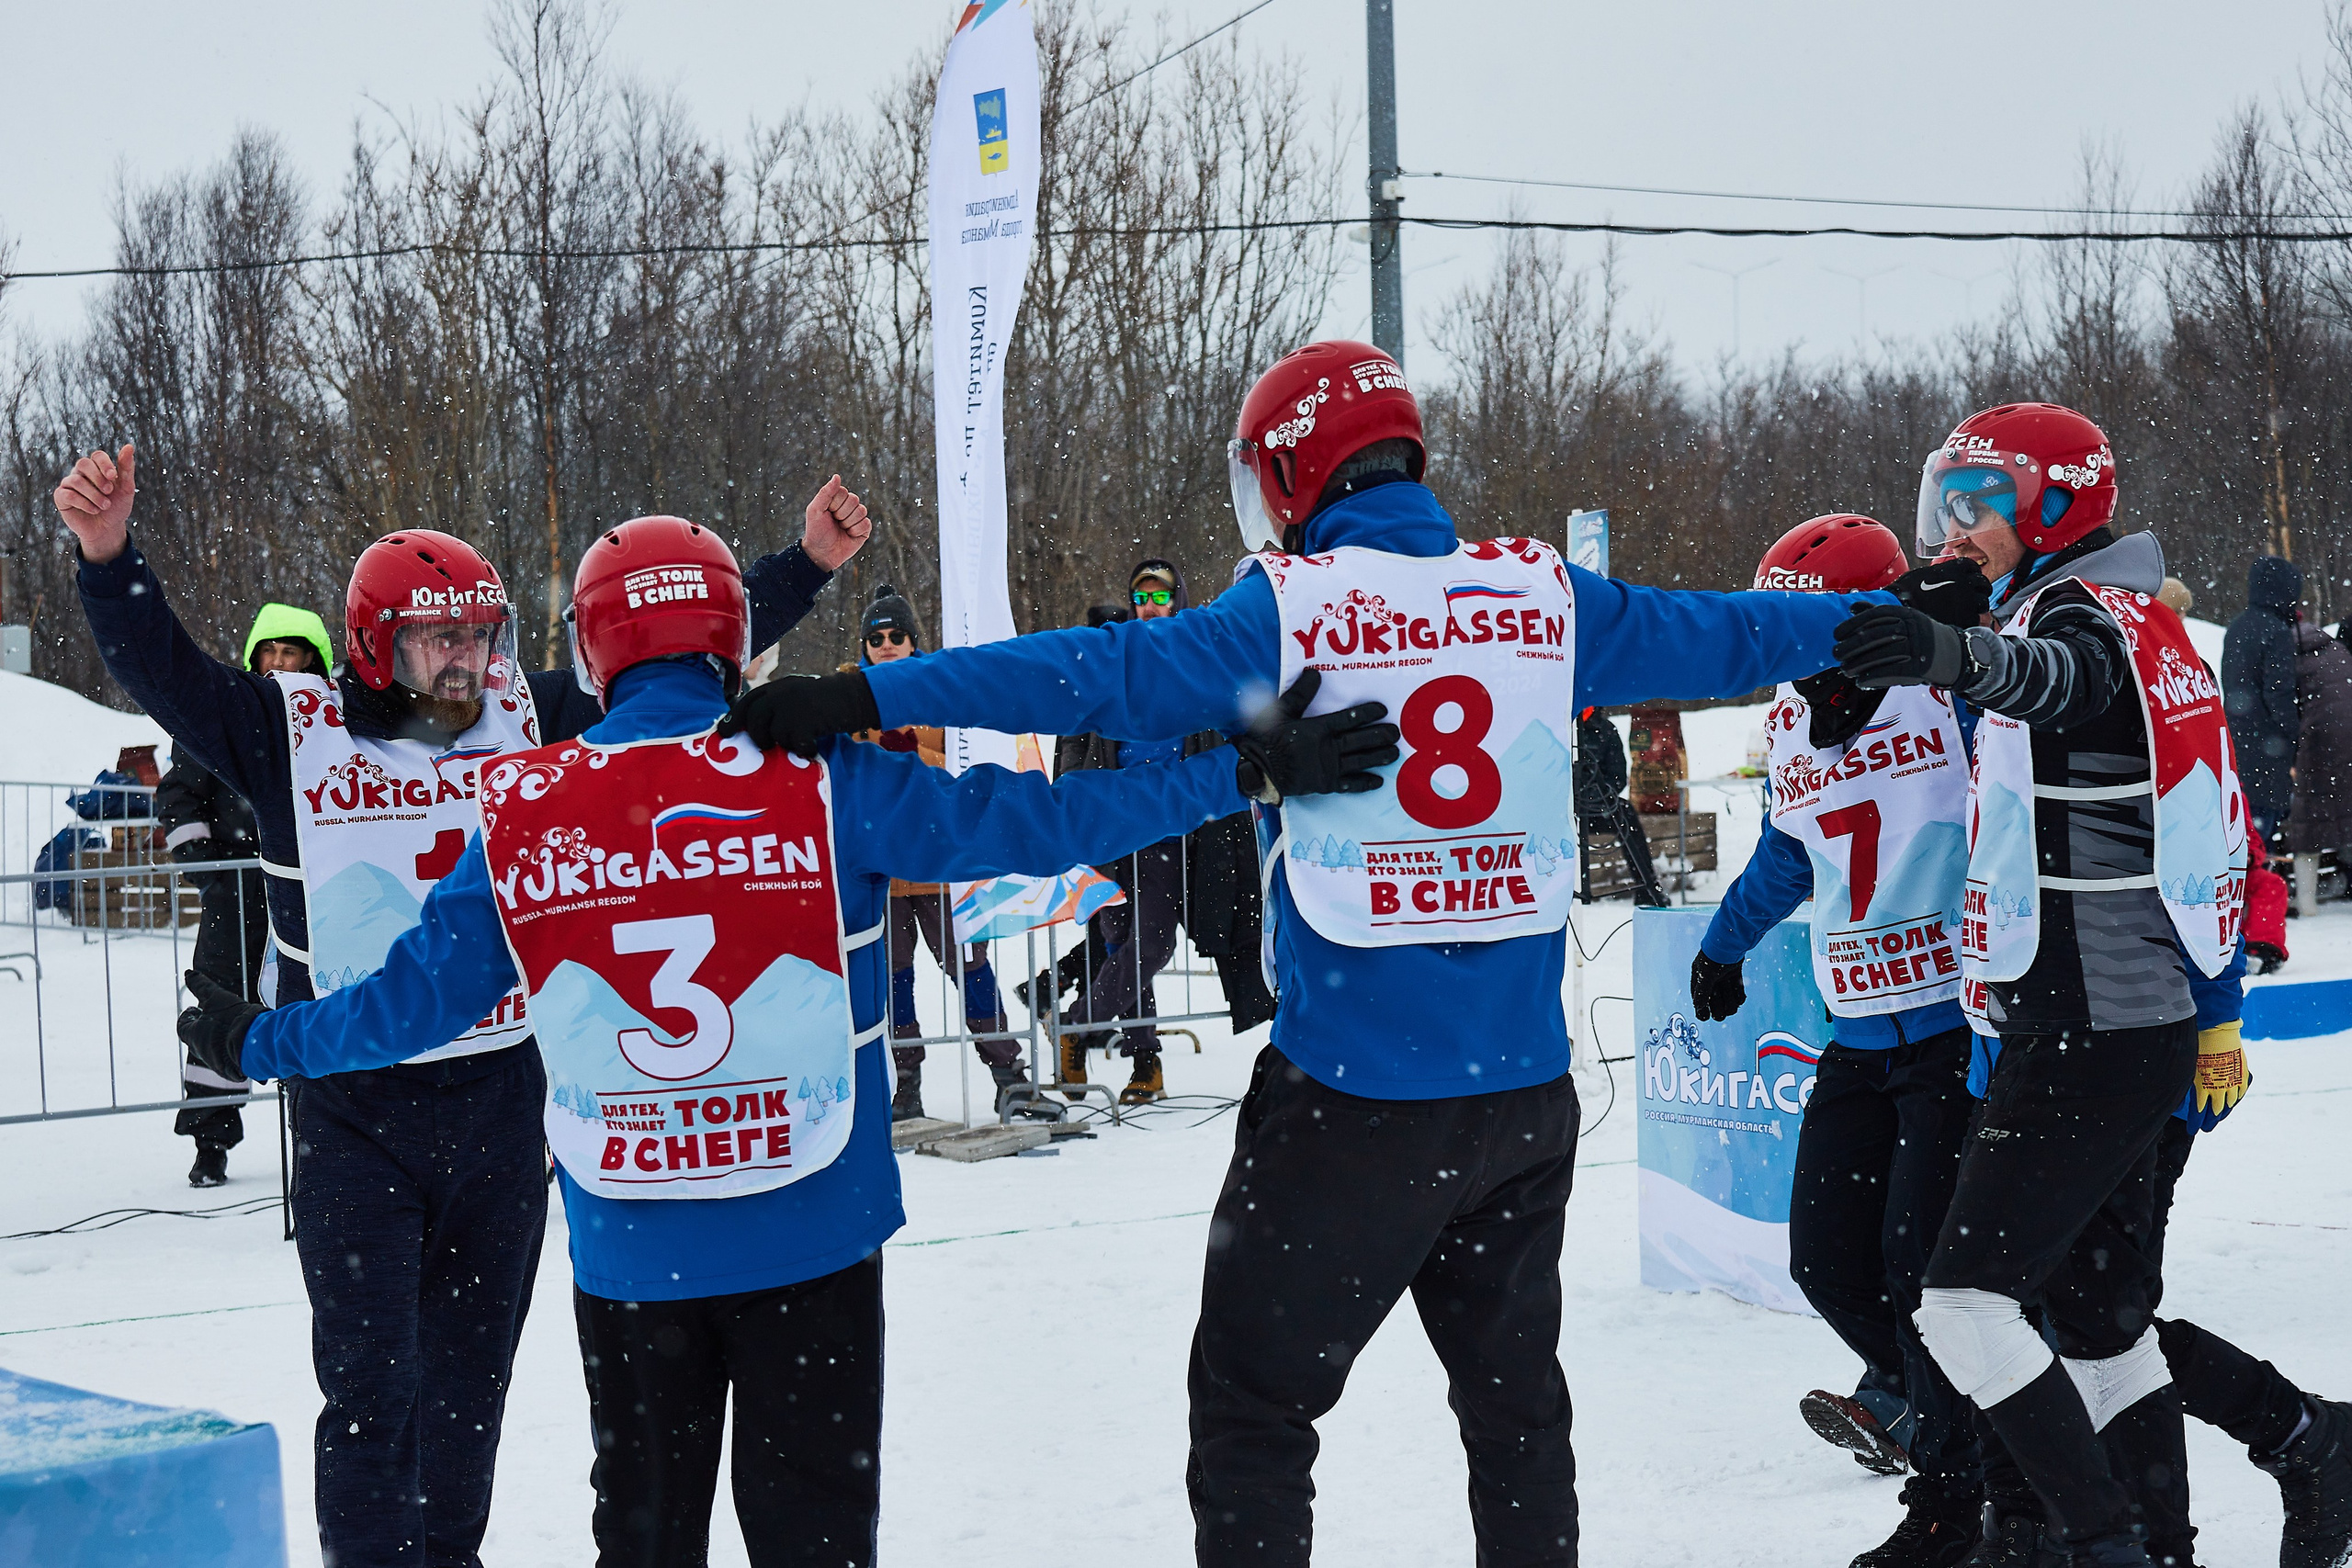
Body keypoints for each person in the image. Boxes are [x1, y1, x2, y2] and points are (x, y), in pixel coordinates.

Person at [718, 338, 1897, 1566]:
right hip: (1523, 1097)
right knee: (1515, 1413)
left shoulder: (1292, 607)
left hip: (1352, 1100)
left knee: (1254, 1412)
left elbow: (1093, 676)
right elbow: (1732, 633)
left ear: (1290, 471)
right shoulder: (1547, 594)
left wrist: (862, 697)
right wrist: (1898, 616)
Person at [173, 514, 1390, 1568]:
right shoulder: (820, 777)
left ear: (593, 653)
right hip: (813, 1222)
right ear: (726, 641)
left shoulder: (526, 806)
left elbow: (408, 1007)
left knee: (646, 1536)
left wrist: (262, 1034)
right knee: (811, 1530)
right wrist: (1241, 771)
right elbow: (1039, 816)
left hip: (634, 1244)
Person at [55, 440, 871, 1568]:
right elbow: (166, 673)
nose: (466, 660)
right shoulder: (286, 731)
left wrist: (805, 566)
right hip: (358, 1115)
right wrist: (109, 557)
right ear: (374, 643)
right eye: (439, 637)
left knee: (466, 1393)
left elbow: (664, 641)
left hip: (497, 1105)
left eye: (481, 634)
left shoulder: (524, 721)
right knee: (371, 1392)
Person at [1835, 402, 2249, 1568]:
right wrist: (1945, 641)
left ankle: (2105, 1543)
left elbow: (2057, 682)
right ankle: (2162, 1546)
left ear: (2055, 506)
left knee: (1963, 1305)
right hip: (2111, 1020)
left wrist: (1955, 657)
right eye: (1943, 503)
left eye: (1980, 504)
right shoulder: (2127, 605)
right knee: (2102, 1330)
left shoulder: (2083, 620)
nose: (1952, 529)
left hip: (2090, 1024)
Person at [1691, 514, 1987, 1567]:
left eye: (1806, 633)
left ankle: (1968, 1476)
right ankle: (1936, 1401)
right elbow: (1788, 849)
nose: (1794, 661)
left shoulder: (1950, 693)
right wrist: (1723, 946)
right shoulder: (1786, 720)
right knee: (1823, 1259)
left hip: (1956, 1025)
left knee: (1921, 1267)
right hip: (1858, 1031)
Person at [1048, 558, 1240, 1105]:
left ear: (1178, 599)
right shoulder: (1115, 654)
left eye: (1161, 597)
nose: (1150, 606)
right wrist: (1071, 803)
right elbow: (1077, 731)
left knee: (1151, 942)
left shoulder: (1194, 653)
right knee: (1117, 942)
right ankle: (1146, 1063)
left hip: (1169, 823)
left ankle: (1076, 1025)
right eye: (1142, 596)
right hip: (1111, 822)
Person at [157, 601, 335, 1187]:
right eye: (271, 652)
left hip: (314, 898)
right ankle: (210, 1143)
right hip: (236, 898)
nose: (280, 663)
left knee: (312, 1010)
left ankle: (318, 1138)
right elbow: (179, 797)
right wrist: (211, 872)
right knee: (222, 1006)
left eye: (292, 653)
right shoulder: (223, 715)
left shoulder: (336, 721)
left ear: (315, 661)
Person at [844, 581, 1030, 1121]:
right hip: (882, 867)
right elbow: (850, 769)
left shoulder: (938, 687)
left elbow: (963, 759)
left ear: (912, 640)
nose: (886, 644)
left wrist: (910, 745)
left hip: (940, 862)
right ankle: (906, 1082)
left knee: (971, 970)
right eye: (876, 636)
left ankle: (1008, 1075)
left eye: (897, 635)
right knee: (895, 981)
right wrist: (884, 743)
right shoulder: (851, 696)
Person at [2224, 555, 2303, 854]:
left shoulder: (2238, 627)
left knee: (2245, 834)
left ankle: (2244, 894)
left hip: (2238, 741)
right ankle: (2262, 897)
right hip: (2269, 749)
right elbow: (2279, 695)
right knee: (2263, 837)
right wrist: (2296, 736)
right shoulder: (2276, 632)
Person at [1571, 707, 1668, 906]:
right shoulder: (1559, 728)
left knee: (1626, 815)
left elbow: (1617, 778)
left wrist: (1592, 796)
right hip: (1562, 809)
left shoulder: (1605, 730)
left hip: (1597, 809)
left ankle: (1646, 886)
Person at [2289, 615, 2352, 904]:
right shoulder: (2337, 650)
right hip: (2346, 740)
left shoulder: (2293, 659)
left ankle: (2307, 900)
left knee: (2308, 824)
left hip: (2317, 744)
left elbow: (2288, 710)